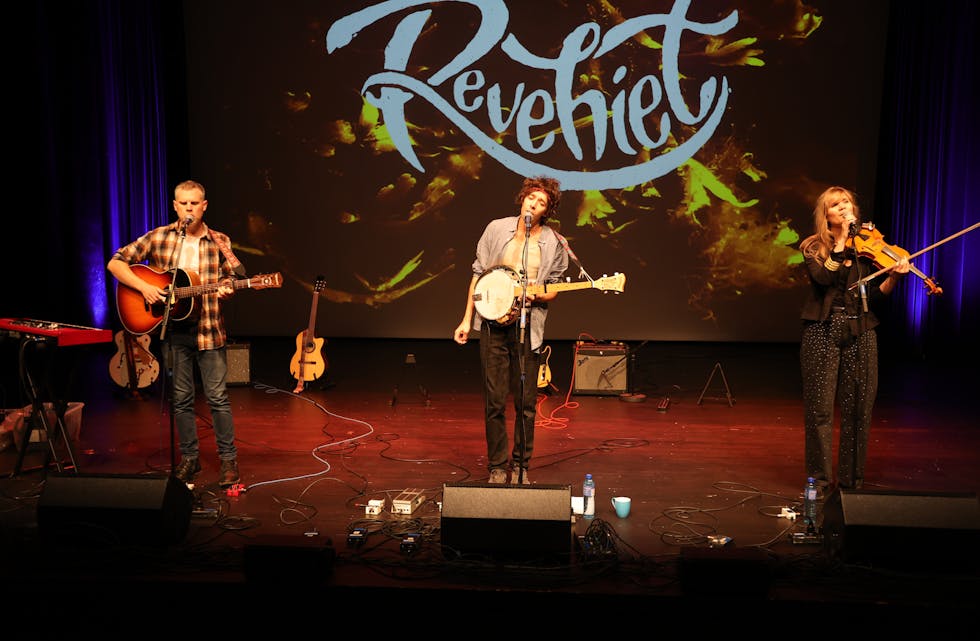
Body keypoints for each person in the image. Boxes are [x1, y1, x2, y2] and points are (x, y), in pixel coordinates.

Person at [107, 180, 241, 487]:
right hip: (173, 330)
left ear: (204, 206)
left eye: (194, 203)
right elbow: (116, 262)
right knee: (181, 399)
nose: (189, 209)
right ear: (175, 205)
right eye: (183, 204)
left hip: (208, 328)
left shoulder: (219, 241)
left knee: (218, 398)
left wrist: (227, 291)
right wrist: (145, 287)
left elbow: (231, 280)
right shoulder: (161, 237)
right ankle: (190, 460)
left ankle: (228, 461)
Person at [453, 176, 568, 484]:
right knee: (494, 400)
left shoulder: (553, 242)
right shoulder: (496, 229)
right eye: (531, 197)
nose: (534, 204)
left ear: (548, 210)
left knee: (526, 403)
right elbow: (478, 277)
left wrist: (538, 294)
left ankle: (520, 465)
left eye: (542, 202)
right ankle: (496, 466)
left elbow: (553, 287)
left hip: (526, 327)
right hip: (492, 324)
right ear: (522, 198)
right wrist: (466, 320)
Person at [798, 186, 909, 497]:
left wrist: (894, 276)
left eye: (847, 202)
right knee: (819, 411)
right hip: (822, 330)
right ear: (827, 215)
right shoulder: (812, 247)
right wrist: (842, 242)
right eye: (836, 205)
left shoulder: (866, 248)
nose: (844, 208)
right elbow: (823, 280)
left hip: (860, 329)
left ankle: (851, 482)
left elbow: (873, 296)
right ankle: (819, 482)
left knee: (859, 408)